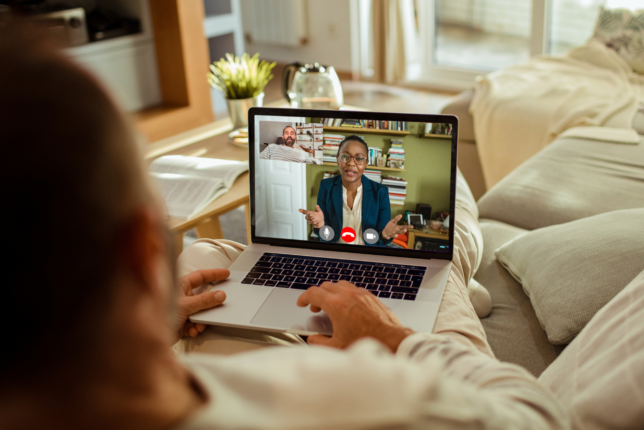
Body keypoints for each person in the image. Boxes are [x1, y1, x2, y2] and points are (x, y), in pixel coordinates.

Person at [0, 23, 567, 430]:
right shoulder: (352, 399)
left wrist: (154, 315)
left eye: (356, 159)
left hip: (353, 252)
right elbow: (535, 417)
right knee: (453, 229)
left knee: (218, 256)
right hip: (370, 276)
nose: (349, 166)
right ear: (140, 248)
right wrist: (392, 336)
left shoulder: (373, 193)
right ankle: (456, 272)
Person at [299, 136, 411, 246]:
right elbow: (325, 235)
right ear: (338, 159)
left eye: (359, 158)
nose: (351, 163)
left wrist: (384, 235)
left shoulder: (380, 192)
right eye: (345, 156)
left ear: (366, 163)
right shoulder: (326, 186)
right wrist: (321, 226)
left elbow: (380, 240)